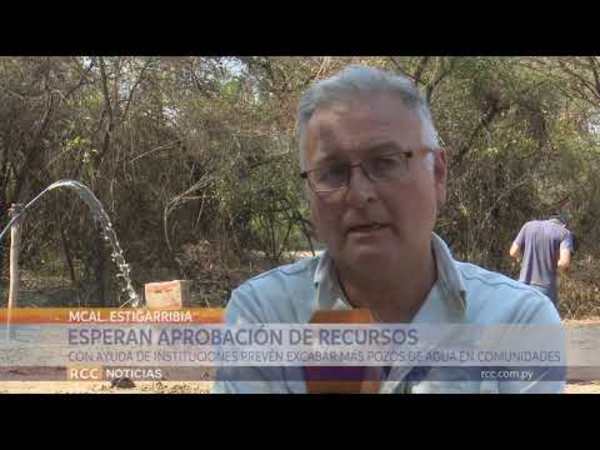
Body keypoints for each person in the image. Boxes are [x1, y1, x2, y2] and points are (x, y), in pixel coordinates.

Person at [213, 65, 564, 394]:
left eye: (385, 162)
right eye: (332, 172)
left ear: (438, 174)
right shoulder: (263, 316)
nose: (360, 193)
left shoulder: (517, 322)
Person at [509, 214, 574, 308]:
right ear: (563, 225)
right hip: (545, 289)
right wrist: (559, 269)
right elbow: (564, 262)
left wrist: (521, 260)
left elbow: (513, 252)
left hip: (523, 286)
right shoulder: (564, 233)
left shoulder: (528, 226)